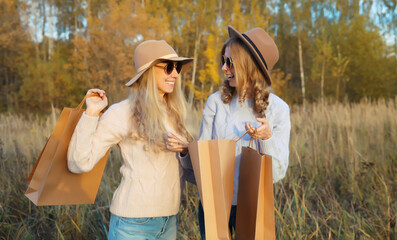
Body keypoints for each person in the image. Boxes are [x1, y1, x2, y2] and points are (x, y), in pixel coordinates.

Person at [67, 40, 193, 240]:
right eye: (169, 67)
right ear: (149, 72)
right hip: (132, 226)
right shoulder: (121, 112)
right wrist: (91, 113)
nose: (176, 74)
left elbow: (190, 174)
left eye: (177, 67)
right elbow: (79, 163)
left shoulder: (176, 114)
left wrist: (186, 151)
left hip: (168, 222)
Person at [195, 26, 291, 239]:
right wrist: (185, 153)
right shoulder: (215, 103)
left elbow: (277, 173)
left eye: (230, 62)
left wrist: (266, 139)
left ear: (249, 65)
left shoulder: (278, 109)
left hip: (254, 205)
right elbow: (202, 161)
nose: (223, 68)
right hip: (214, 204)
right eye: (223, 60)